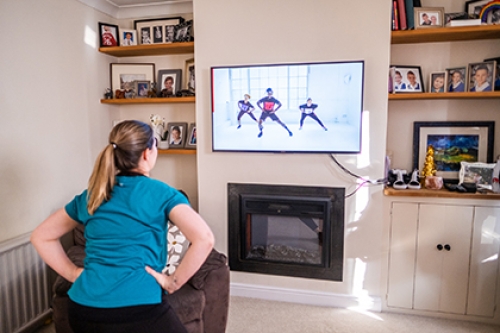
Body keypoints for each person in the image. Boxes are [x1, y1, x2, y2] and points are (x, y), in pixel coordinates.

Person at [30, 120, 214, 333]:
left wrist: (73, 273)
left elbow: (41, 236)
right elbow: (205, 238)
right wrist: (173, 282)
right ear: (148, 153)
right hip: (138, 310)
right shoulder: (162, 193)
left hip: (83, 309)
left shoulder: (93, 195)